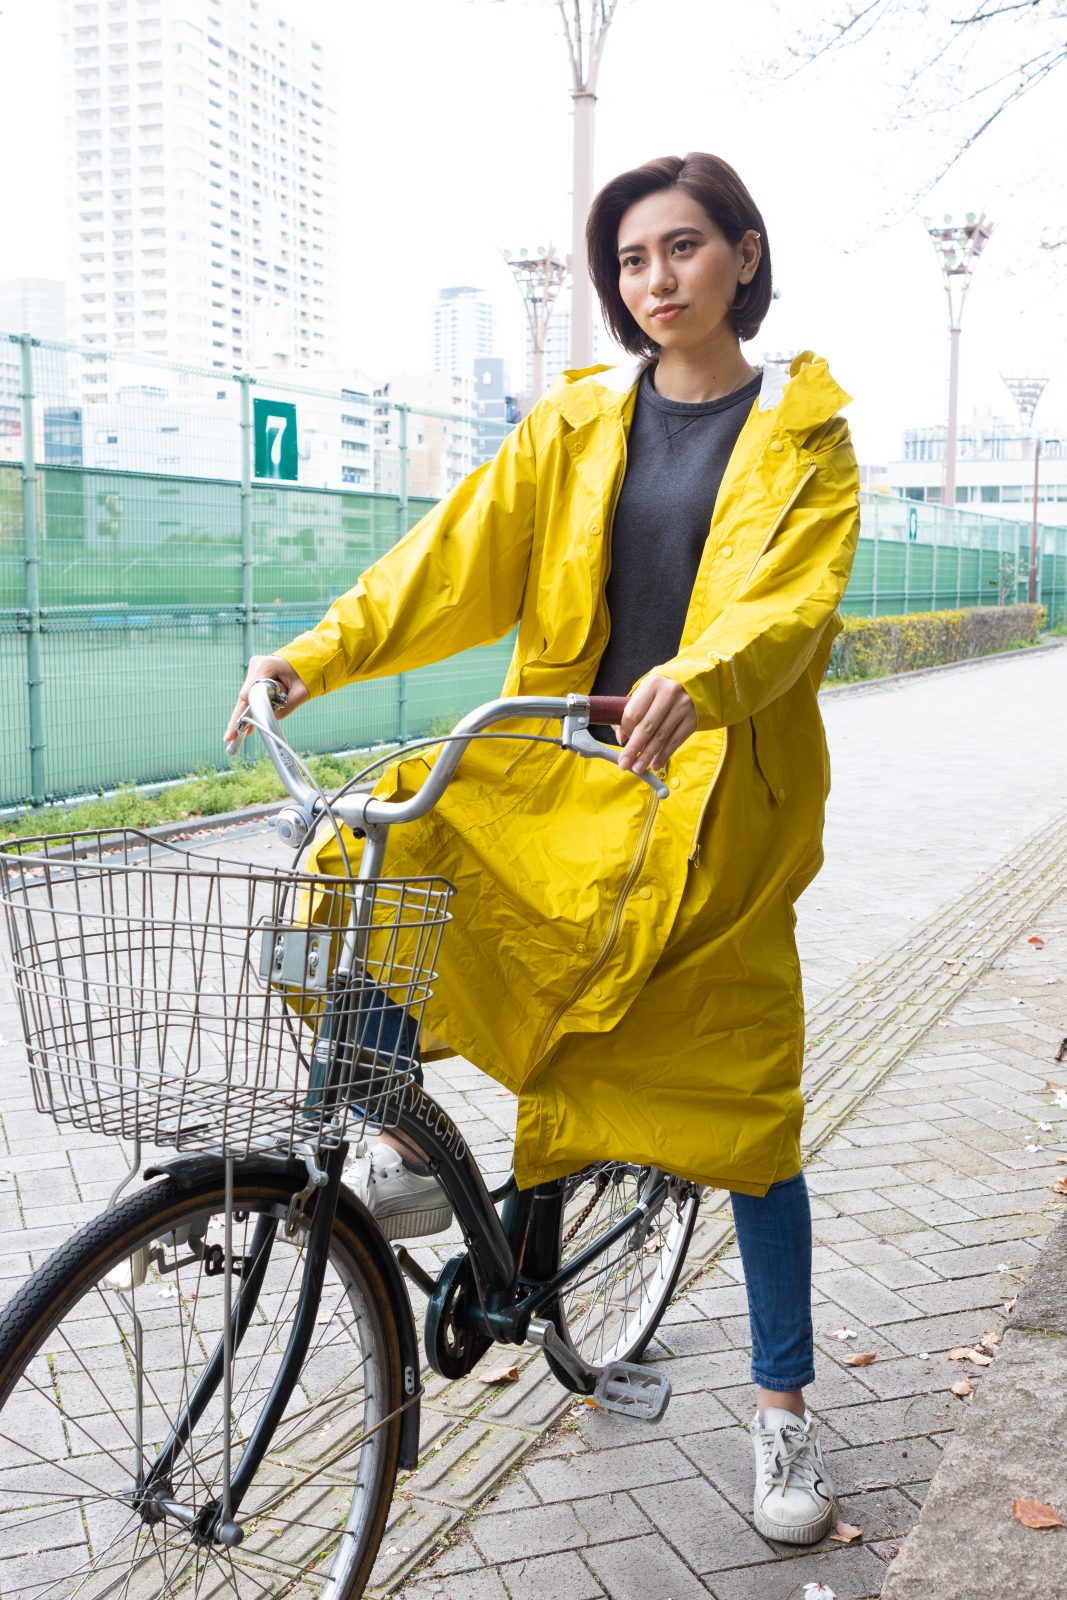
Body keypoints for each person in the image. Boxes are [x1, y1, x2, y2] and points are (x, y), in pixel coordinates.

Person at [225, 152, 860, 1546]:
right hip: (562, 777)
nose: (656, 280)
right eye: (631, 260)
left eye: (683, 247)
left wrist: (702, 676)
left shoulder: (805, 436)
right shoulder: (576, 425)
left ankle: (782, 1414)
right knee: (366, 863)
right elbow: (450, 559)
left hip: (711, 811)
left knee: (747, 1113)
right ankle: (400, 1132)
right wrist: (313, 657)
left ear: (744, 256)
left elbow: (794, 607)